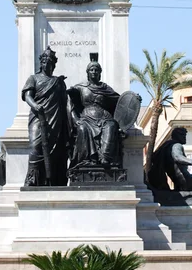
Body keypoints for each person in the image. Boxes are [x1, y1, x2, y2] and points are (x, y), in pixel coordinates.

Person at [23, 46, 69, 186]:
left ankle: (52, 180)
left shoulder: (58, 82)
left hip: (55, 118)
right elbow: (27, 95)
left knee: (55, 150)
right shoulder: (33, 78)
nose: (46, 65)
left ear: (53, 65)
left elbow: (65, 102)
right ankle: (33, 179)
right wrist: (35, 105)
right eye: (44, 62)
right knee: (36, 146)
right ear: (41, 63)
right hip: (38, 117)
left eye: (50, 62)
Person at [68, 61, 122, 168]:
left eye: (96, 70)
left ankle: (105, 158)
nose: (94, 72)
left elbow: (120, 101)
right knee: (82, 129)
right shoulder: (80, 87)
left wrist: (133, 98)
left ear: (100, 73)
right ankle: (88, 160)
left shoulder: (105, 88)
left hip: (104, 117)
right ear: (87, 73)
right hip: (86, 118)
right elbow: (70, 102)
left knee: (111, 126)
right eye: (91, 70)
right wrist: (75, 119)